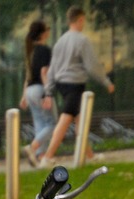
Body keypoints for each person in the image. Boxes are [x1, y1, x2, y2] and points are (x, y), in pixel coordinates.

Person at [39, 7, 115, 166]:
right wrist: (106, 82)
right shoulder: (82, 40)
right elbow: (92, 65)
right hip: (75, 84)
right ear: (80, 20)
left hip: (61, 84)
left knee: (80, 120)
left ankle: (89, 155)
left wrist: (49, 91)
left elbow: (52, 68)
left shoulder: (60, 41)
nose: (84, 24)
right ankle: (47, 156)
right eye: (84, 21)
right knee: (66, 118)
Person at [20, 20, 55, 167]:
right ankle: (32, 148)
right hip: (40, 89)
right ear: (42, 33)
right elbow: (44, 73)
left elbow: (28, 76)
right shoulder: (44, 50)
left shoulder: (31, 51)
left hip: (30, 91)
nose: (49, 31)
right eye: (47, 29)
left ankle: (39, 156)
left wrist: (23, 96)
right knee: (51, 124)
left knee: (39, 124)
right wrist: (48, 94)